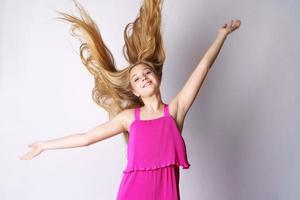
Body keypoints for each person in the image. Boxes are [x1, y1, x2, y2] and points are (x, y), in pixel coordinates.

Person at [20, 0, 241, 199]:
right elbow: (86, 138)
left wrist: (221, 36)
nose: (143, 78)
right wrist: (45, 145)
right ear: (134, 91)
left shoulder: (174, 110)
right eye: (136, 78)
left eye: (147, 73)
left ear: (157, 77)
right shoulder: (128, 118)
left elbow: (203, 68)